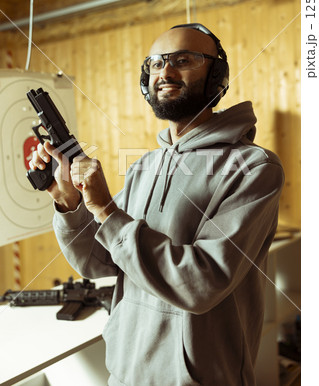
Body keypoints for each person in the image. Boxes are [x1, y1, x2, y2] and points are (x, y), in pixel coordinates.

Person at [30, 23, 284, 385]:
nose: (165, 71)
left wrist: (106, 211)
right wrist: (71, 205)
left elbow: (201, 283)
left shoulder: (253, 168)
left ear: (217, 77)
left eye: (184, 60)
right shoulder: (144, 166)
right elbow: (98, 261)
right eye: (155, 63)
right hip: (125, 372)